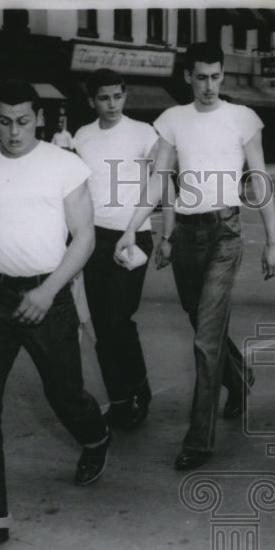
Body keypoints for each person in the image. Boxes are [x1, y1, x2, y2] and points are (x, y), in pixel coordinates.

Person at [0, 79, 111, 550]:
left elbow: (84, 238)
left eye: (22, 121)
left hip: (51, 295)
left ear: (38, 117)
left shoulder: (65, 166)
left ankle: (96, 435)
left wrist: (47, 290)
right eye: (3, 121)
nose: (14, 132)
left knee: (64, 394)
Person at [116, 41, 275, 471]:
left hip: (226, 233)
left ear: (222, 75)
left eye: (216, 76)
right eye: (201, 77)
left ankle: (199, 441)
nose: (209, 86)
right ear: (187, 77)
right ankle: (240, 377)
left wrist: (273, 238)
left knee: (205, 338)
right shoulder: (172, 120)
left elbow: (259, 178)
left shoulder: (242, 119)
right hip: (188, 234)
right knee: (198, 319)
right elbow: (159, 179)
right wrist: (134, 227)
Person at [73, 68, 159, 430]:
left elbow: (160, 181)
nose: (112, 104)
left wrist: (158, 232)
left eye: (118, 96)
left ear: (125, 96)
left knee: (117, 318)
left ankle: (139, 387)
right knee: (100, 323)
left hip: (133, 234)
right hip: (93, 236)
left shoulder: (144, 133)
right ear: (92, 100)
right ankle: (121, 399)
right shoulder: (82, 136)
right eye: (104, 98)